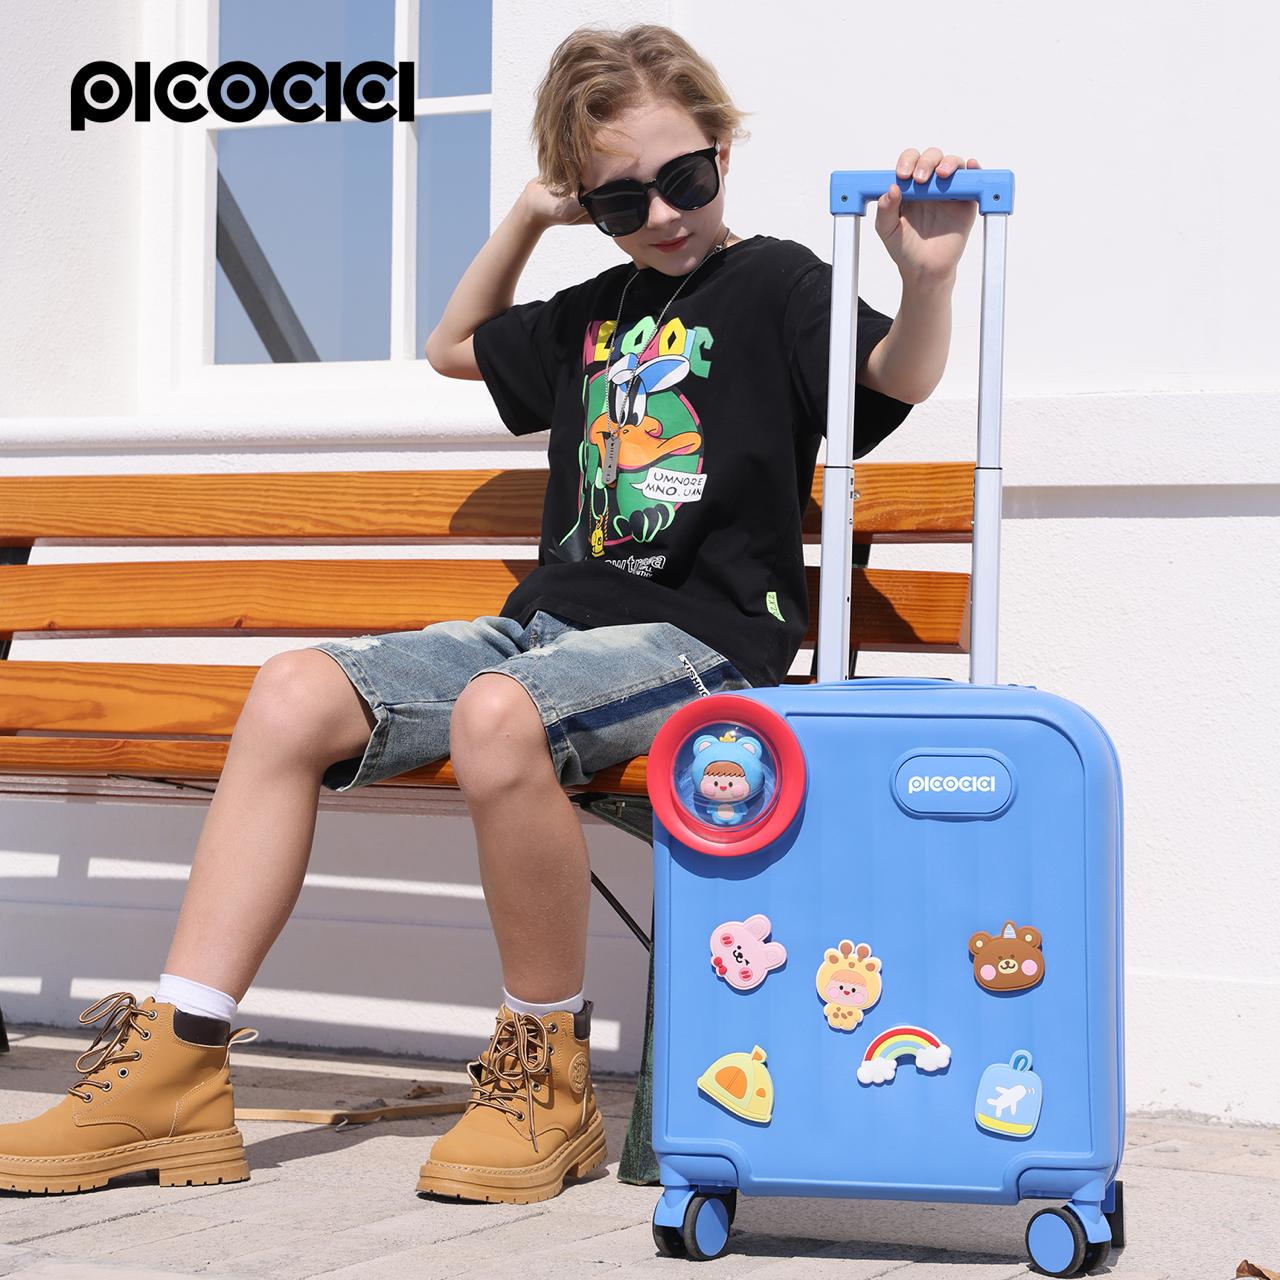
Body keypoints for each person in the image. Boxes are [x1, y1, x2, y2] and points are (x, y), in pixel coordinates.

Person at [0, 23, 978, 1204]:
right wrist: (528, 214)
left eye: (683, 177)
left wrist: (926, 278)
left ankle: (543, 1074)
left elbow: (893, 377)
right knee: (294, 689)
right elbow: (450, 345)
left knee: (496, 716)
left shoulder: (777, 282)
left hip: (703, 642)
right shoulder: (595, 306)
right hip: (544, 632)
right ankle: (179, 1063)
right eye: (620, 200)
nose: (662, 215)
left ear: (722, 151)